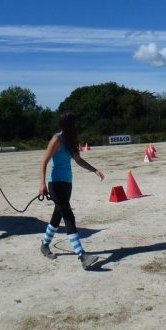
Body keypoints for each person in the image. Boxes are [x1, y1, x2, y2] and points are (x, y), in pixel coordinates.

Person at [38, 111, 104, 270]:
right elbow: (44, 162)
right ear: (68, 125)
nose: (76, 126)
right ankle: (82, 255)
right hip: (55, 184)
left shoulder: (69, 140)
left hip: (67, 184)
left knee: (58, 215)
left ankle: (44, 245)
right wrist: (42, 184)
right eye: (74, 124)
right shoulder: (56, 139)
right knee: (68, 215)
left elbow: (78, 160)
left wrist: (94, 170)